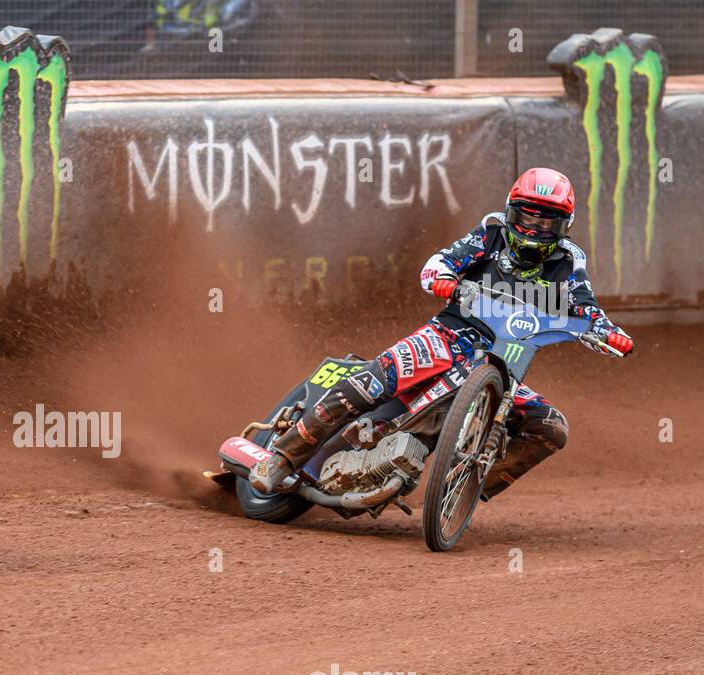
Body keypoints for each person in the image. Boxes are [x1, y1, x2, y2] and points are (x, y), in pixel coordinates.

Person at [249, 167, 634, 499]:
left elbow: (586, 306)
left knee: (551, 427)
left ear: (563, 226)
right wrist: (445, 280)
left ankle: (466, 486)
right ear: (510, 210)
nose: (533, 229)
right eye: (527, 217)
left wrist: (607, 332)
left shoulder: (568, 261)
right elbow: (441, 262)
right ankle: (282, 457)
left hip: (504, 360)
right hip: (449, 336)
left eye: (546, 222)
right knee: (372, 382)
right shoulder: (491, 232)